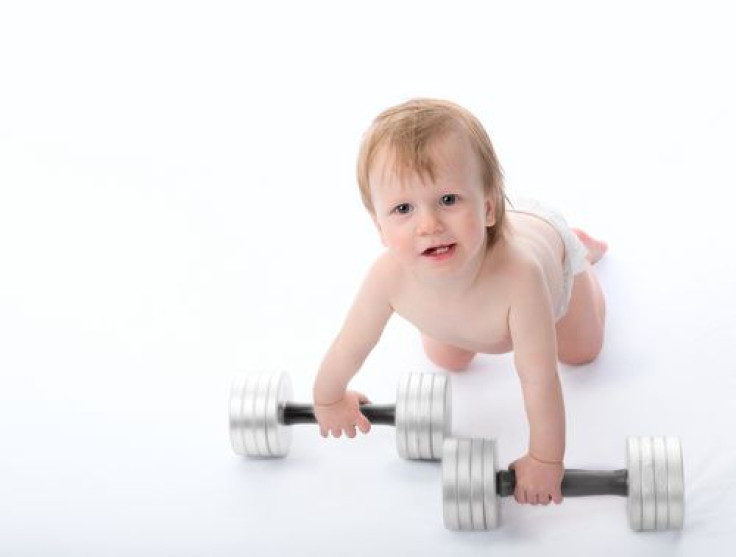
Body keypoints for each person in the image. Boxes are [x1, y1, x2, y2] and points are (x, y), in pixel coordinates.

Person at [312, 98, 608, 506]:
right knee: (448, 359)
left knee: (581, 351)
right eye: (403, 209)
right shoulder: (387, 276)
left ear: (487, 207)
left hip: (551, 263)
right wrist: (328, 397)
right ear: (379, 227)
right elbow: (351, 343)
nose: (429, 225)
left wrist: (545, 458)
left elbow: (538, 379)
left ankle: (582, 253)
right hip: (469, 314)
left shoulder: (520, 278)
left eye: (449, 200)